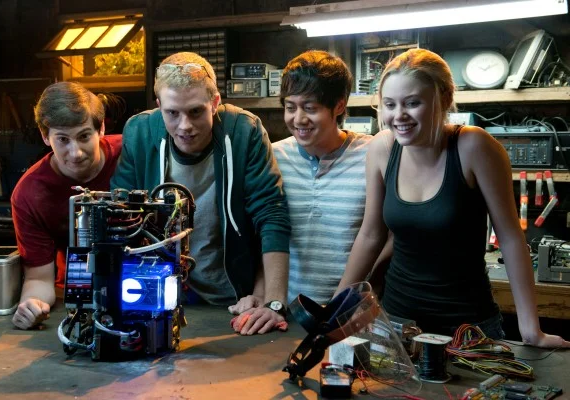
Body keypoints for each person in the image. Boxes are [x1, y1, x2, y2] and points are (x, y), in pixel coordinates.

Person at [337, 48, 569, 348]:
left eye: (413, 103)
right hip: (397, 323)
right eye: (390, 104)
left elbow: (511, 238)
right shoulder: (382, 149)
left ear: (444, 98)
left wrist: (530, 331)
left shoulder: (474, 146)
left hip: (467, 328)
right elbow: (370, 235)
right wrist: (337, 307)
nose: (398, 116)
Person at [110, 52, 290, 335]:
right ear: (159, 106)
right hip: (158, 296)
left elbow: (271, 214)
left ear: (215, 102)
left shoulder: (244, 131)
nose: (185, 126)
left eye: (195, 111)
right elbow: (121, 217)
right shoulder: (139, 132)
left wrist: (273, 301)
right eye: (172, 113)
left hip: (233, 300)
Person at [269, 50, 387, 305]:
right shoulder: (273, 157)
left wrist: (348, 301)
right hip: (288, 311)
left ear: (339, 106)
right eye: (290, 107)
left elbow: (388, 236)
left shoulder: (372, 155)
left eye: (310, 108)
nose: (298, 119)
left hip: (354, 310)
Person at [11, 81, 122, 330]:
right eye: (62, 139)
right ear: (45, 136)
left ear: (101, 129)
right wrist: (32, 304)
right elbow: (39, 278)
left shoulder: (131, 154)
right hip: (77, 296)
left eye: (84, 136)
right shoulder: (29, 194)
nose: (76, 153)